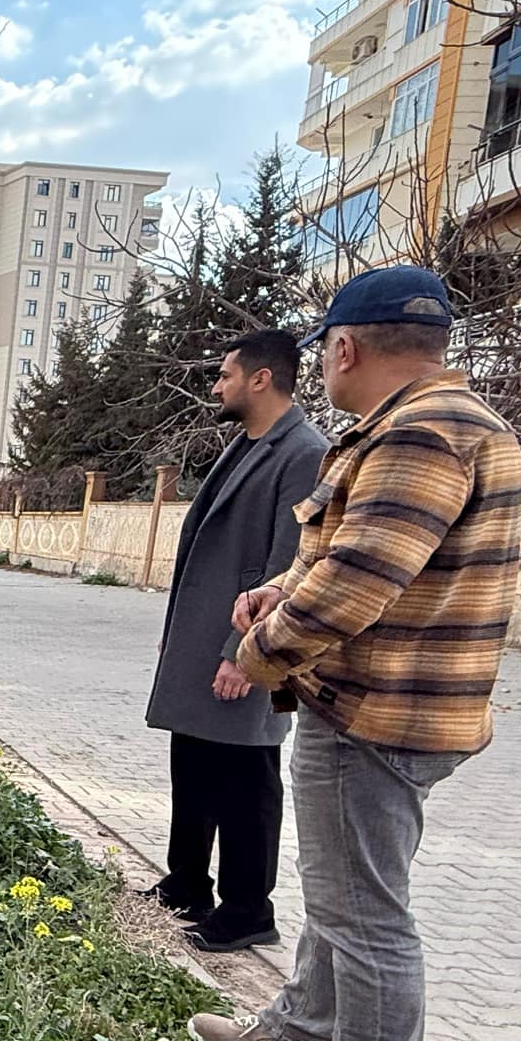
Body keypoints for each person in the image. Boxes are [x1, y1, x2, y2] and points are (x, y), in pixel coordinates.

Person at [188, 266, 521, 1041]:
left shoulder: (420, 432)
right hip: (390, 704)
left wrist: (261, 647)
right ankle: (300, 1031)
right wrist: (283, 589)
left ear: (344, 347)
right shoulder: (437, 422)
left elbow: (360, 580)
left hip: (378, 710)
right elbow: (359, 559)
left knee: (367, 917)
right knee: (342, 896)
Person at [142, 330, 327, 952]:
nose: (217, 386)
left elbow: (287, 562)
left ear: (261, 378)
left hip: (247, 643)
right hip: (203, 639)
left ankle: (249, 909)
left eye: (225, 375)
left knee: (247, 779)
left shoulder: (303, 452)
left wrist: (241, 655)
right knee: (194, 764)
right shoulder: (246, 446)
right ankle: (187, 883)